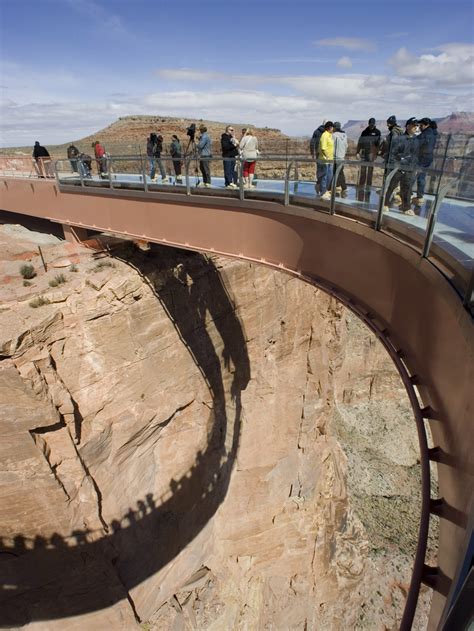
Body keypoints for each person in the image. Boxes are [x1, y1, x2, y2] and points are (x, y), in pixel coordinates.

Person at [383, 117, 420, 215]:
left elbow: (416, 155)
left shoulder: (416, 140)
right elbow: (393, 153)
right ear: (408, 126)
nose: (416, 127)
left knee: (407, 188)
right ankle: (385, 204)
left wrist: (414, 167)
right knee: (391, 186)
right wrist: (395, 166)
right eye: (414, 126)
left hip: (409, 168)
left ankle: (406, 208)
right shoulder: (400, 139)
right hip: (398, 168)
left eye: (417, 126)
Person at [413, 117, 437, 205]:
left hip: (421, 158)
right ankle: (420, 196)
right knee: (422, 177)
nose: (420, 127)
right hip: (429, 159)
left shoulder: (425, 134)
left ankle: (407, 193)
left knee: (413, 176)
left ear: (426, 125)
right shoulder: (434, 133)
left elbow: (416, 143)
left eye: (421, 125)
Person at [356, 117, 381, 191]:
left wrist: (376, 153)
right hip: (364, 153)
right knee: (363, 171)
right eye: (370, 124)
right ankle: (361, 187)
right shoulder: (364, 132)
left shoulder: (377, 132)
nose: (371, 125)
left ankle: (368, 187)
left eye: (372, 124)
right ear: (369, 123)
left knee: (370, 172)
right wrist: (357, 152)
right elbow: (360, 143)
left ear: (374, 124)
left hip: (371, 154)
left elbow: (378, 144)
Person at [317, 121, 334, 200]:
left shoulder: (330, 136)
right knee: (324, 176)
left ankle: (324, 190)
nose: (333, 129)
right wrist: (327, 156)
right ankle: (323, 192)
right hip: (324, 160)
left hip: (329, 160)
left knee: (329, 176)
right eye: (332, 127)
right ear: (329, 127)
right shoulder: (324, 135)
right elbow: (323, 148)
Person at [333, 122, 348, 197]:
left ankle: (339, 187)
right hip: (342, 156)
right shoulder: (345, 135)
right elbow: (346, 146)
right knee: (340, 172)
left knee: (336, 173)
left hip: (335, 157)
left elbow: (331, 146)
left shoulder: (334, 135)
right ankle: (343, 188)